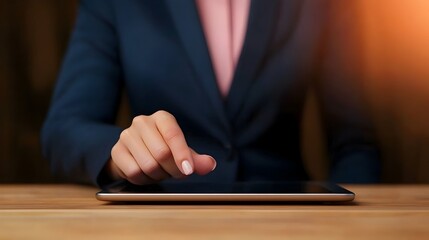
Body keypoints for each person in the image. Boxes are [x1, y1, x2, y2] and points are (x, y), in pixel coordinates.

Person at [41, 0, 381, 188]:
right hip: (160, 225)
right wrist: (121, 154)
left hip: (288, 222)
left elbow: (355, 144)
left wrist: (342, 225)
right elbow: (65, 128)